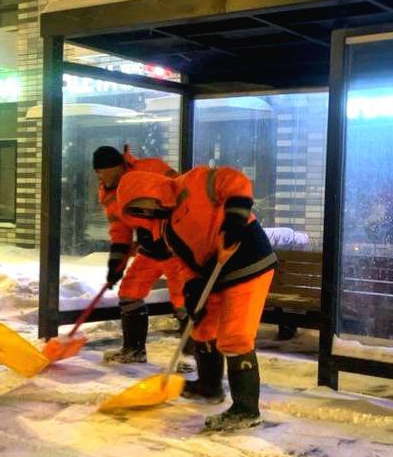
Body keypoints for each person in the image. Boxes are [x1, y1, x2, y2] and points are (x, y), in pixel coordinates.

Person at [116, 166, 277, 431]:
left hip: (248, 260)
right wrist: (192, 289)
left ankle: (246, 410)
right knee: (202, 327)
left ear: (152, 190)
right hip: (214, 270)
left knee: (235, 336)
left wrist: (235, 220)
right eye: (138, 211)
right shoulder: (166, 228)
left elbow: (235, 181)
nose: (146, 211)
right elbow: (184, 264)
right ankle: (209, 387)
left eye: (143, 203)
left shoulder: (194, 182)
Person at [92, 145, 189, 363]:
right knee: (129, 294)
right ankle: (134, 351)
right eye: (97, 172)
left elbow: (183, 192)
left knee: (184, 300)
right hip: (150, 249)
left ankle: (192, 358)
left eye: (101, 171)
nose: (99, 176)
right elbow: (120, 229)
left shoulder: (151, 168)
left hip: (176, 248)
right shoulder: (107, 193)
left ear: (117, 166)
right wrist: (115, 264)